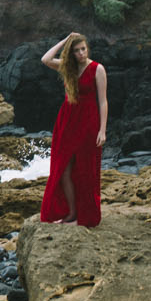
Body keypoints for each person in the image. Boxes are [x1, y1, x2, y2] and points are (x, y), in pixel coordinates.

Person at [38, 30, 106, 226]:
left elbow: (103, 102)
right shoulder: (67, 68)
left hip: (88, 122)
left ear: (88, 48)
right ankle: (72, 213)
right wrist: (64, 40)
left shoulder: (97, 69)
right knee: (63, 168)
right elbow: (45, 59)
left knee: (85, 169)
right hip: (67, 121)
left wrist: (102, 130)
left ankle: (86, 214)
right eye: (76, 50)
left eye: (83, 49)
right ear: (71, 52)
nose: (81, 53)